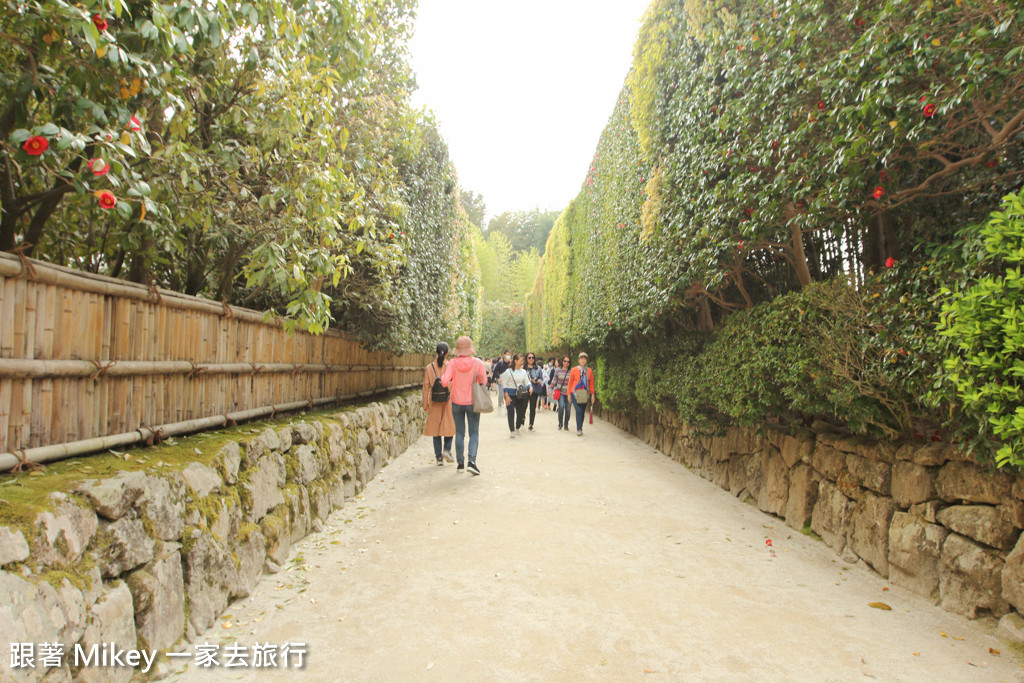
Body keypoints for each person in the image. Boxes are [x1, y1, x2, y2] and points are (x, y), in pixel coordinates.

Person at [440, 336, 487, 475]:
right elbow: (483, 380)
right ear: (470, 348)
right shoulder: (477, 363)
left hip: (456, 401)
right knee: (474, 433)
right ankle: (471, 462)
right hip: (473, 402)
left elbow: (444, 382)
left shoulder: (452, 363)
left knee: (459, 433)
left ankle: (460, 463)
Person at [422, 342, 455, 465]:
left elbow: (426, 387)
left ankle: (438, 458)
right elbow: (453, 383)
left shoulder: (429, 367)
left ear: (436, 352)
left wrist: (425, 404)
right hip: (448, 400)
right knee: (449, 426)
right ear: (447, 353)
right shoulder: (450, 366)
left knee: (435, 429)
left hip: (434, 401)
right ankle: (447, 449)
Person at [499, 352, 531, 438]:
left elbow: (527, 381)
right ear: (515, 361)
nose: (522, 362)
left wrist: (530, 387)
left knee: (520, 412)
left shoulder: (524, 372)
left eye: (523, 360)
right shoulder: (508, 371)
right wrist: (506, 395)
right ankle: (512, 430)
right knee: (510, 412)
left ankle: (517, 427)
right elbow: (504, 384)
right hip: (510, 394)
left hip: (520, 394)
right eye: (521, 360)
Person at [567, 351, 595, 436]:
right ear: (579, 360)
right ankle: (579, 429)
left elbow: (591, 383)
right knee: (578, 410)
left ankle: (580, 426)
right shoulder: (574, 370)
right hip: (575, 394)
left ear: (586, 360)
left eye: (585, 359)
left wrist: (593, 394)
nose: (583, 360)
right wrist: (568, 394)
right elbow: (570, 382)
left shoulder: (589, 371)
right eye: (581, 359)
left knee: (582, 412)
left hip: (585, 394)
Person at [550, 355, 572, 430]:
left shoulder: (571, 371)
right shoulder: (558, 370)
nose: (566, 363)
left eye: (568, 362)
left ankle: (566, 424)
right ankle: (560, 423)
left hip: (569, 394)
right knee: (561, 406)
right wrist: (550, 390)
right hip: (561, 392)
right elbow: (554, 381)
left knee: (568, 409)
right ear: (562, 362)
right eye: (565, 361)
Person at [525, 352, 545, 430]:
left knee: (532, 407)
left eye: (532, 357)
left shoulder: (538, 368)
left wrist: (537, 381)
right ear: (526, 358)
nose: (531, 359)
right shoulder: (523, 367)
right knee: (523, 407)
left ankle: (531, 424)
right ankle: (522, 420)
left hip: (535, 389)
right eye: (529, 357)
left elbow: (541, 378)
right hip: (525, 389)